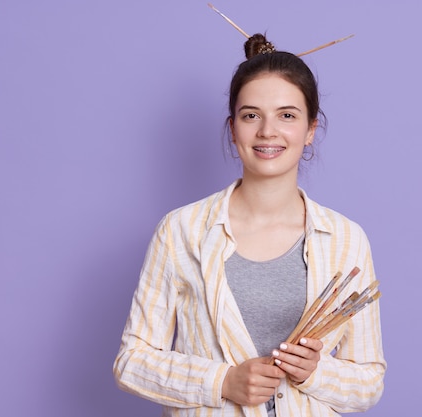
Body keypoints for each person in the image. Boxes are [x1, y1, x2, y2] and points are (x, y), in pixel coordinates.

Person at [113, 32, 386, 417]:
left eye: (287, 116)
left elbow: (369, 382)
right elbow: (132, 362)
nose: (267, 131)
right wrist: (222, 381)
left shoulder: (345, 239)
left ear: (310, 130)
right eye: (251, 115)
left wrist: (315, 373)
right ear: (232, 128)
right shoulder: (181, 231)